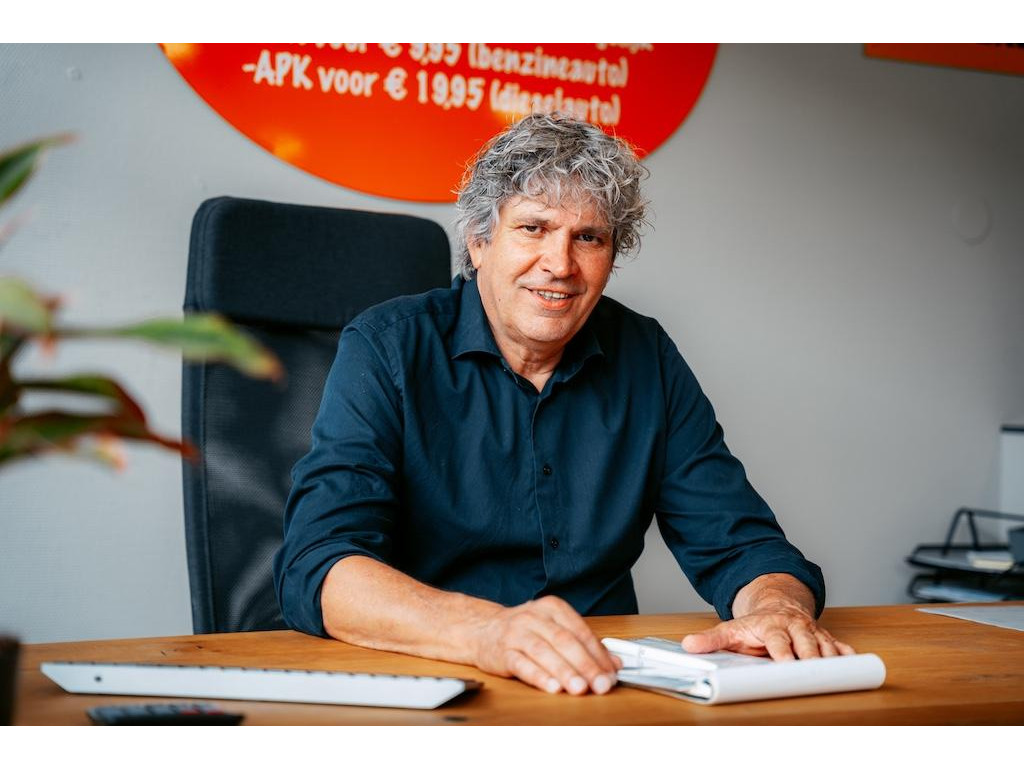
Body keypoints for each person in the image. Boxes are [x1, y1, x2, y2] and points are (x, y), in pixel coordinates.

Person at [274, 113, 853, 697]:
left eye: (589, 238)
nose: (561, 264)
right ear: (479, 242)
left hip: (597, 686)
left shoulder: (646, 355)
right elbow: (318, 565)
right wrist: (487, 632)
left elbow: (739, 541)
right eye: (533, 228)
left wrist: (777, 608)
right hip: (435, 677)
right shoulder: (388, 346)